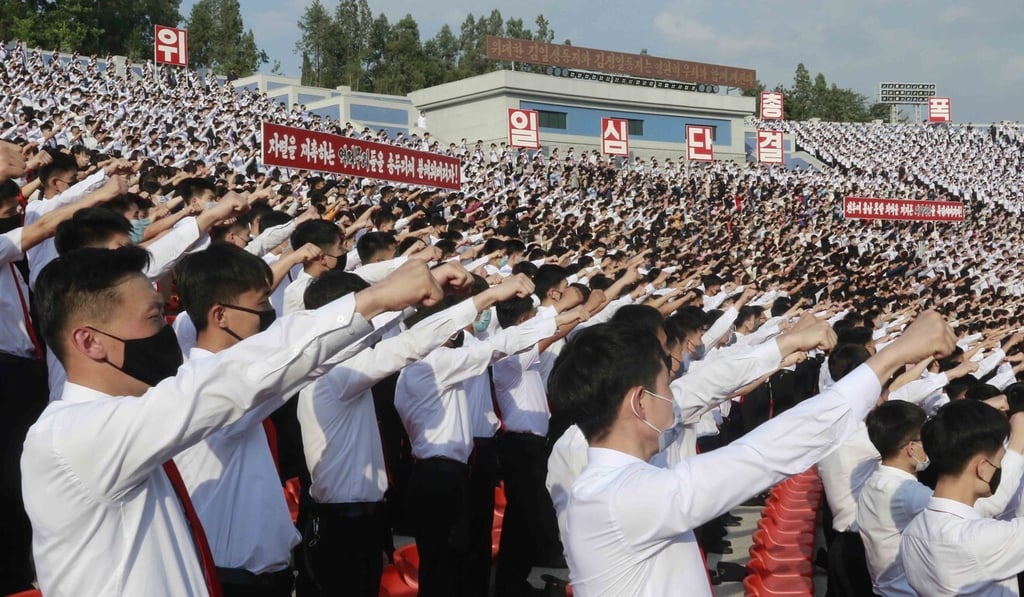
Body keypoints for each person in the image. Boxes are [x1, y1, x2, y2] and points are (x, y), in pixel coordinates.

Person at [20, 246, 457, 596]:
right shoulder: (69, 439)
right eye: (155, 318)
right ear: (90, 342)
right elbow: (231, 379)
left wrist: (385, 308)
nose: (168, 331)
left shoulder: (124, 430)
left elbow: (285, 371)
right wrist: (375, 299)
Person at [547, 310, 955, 596]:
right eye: (666, 385)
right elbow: (761, 453)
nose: (676, 396)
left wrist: (783, 345)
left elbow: (706, 386)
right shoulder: (619, 497)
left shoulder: (616, 479)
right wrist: (892, 356)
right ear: (640, 403)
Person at [295, 269, 534, 597]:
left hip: (363, 516)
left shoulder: (345, 370)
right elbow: (409, 342)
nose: (374, 324)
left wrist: (425, 287)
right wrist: (485, 297)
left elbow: (396, 328)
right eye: (367, 313)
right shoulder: (334, 374)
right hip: (344, 522)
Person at [172, 243, 298, 597]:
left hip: (259, 575)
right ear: (220, 315)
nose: (268, 315)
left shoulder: (230, 377)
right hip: (232, 579)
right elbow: (309, 356)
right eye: (260, 306)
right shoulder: (209, 388)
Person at [856, 400, 1024, 596]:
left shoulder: (912, 533)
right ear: (982, 468)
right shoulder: (979, 540)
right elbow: (992, 507)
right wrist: (1017, 444)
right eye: (999, 461)